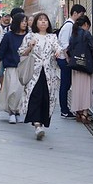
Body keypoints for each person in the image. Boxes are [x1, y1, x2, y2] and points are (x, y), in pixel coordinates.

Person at [18, 12, 62, 140]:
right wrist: (30, 47)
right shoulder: (30, 36)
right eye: (40, 20)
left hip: (49, 73)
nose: (43, 22)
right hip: (34, 71)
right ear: (36, 23)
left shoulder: (52, 37)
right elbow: (22, 52)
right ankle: (36, 124)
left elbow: (57, 47)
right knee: (34, 95)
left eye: (45, 20)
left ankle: (41, 123)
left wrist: (58, 52)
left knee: (46, 97)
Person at [0, 13, 28, 123]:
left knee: (22, 91)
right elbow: (1, 51)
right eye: (22, 21)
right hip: (11, 66)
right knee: (12, 89)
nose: (25, 23)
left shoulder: (29, 36)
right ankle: (12, 112)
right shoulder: (9, 36)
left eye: (26, 21)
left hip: (25, 67)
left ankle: (18, 111)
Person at [56, 3, 86, 119]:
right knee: (65, 85)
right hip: (65, 60)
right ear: (75, 13)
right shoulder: (69, 25)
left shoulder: (70, 25)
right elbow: (64, 44)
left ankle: (66, 109)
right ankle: (64, 110)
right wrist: (68, 59)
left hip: (66, 59)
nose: (82, 17)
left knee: (66, 85)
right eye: (81, 14)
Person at [66, 15, 93, 123]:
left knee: (77, 89)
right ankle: (85, 114)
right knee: (86, 90)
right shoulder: (86, 34)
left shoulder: (74, 34)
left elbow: (69, 50)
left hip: (76, 67)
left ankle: (78, 112)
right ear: (86, 24)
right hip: (86, 67)